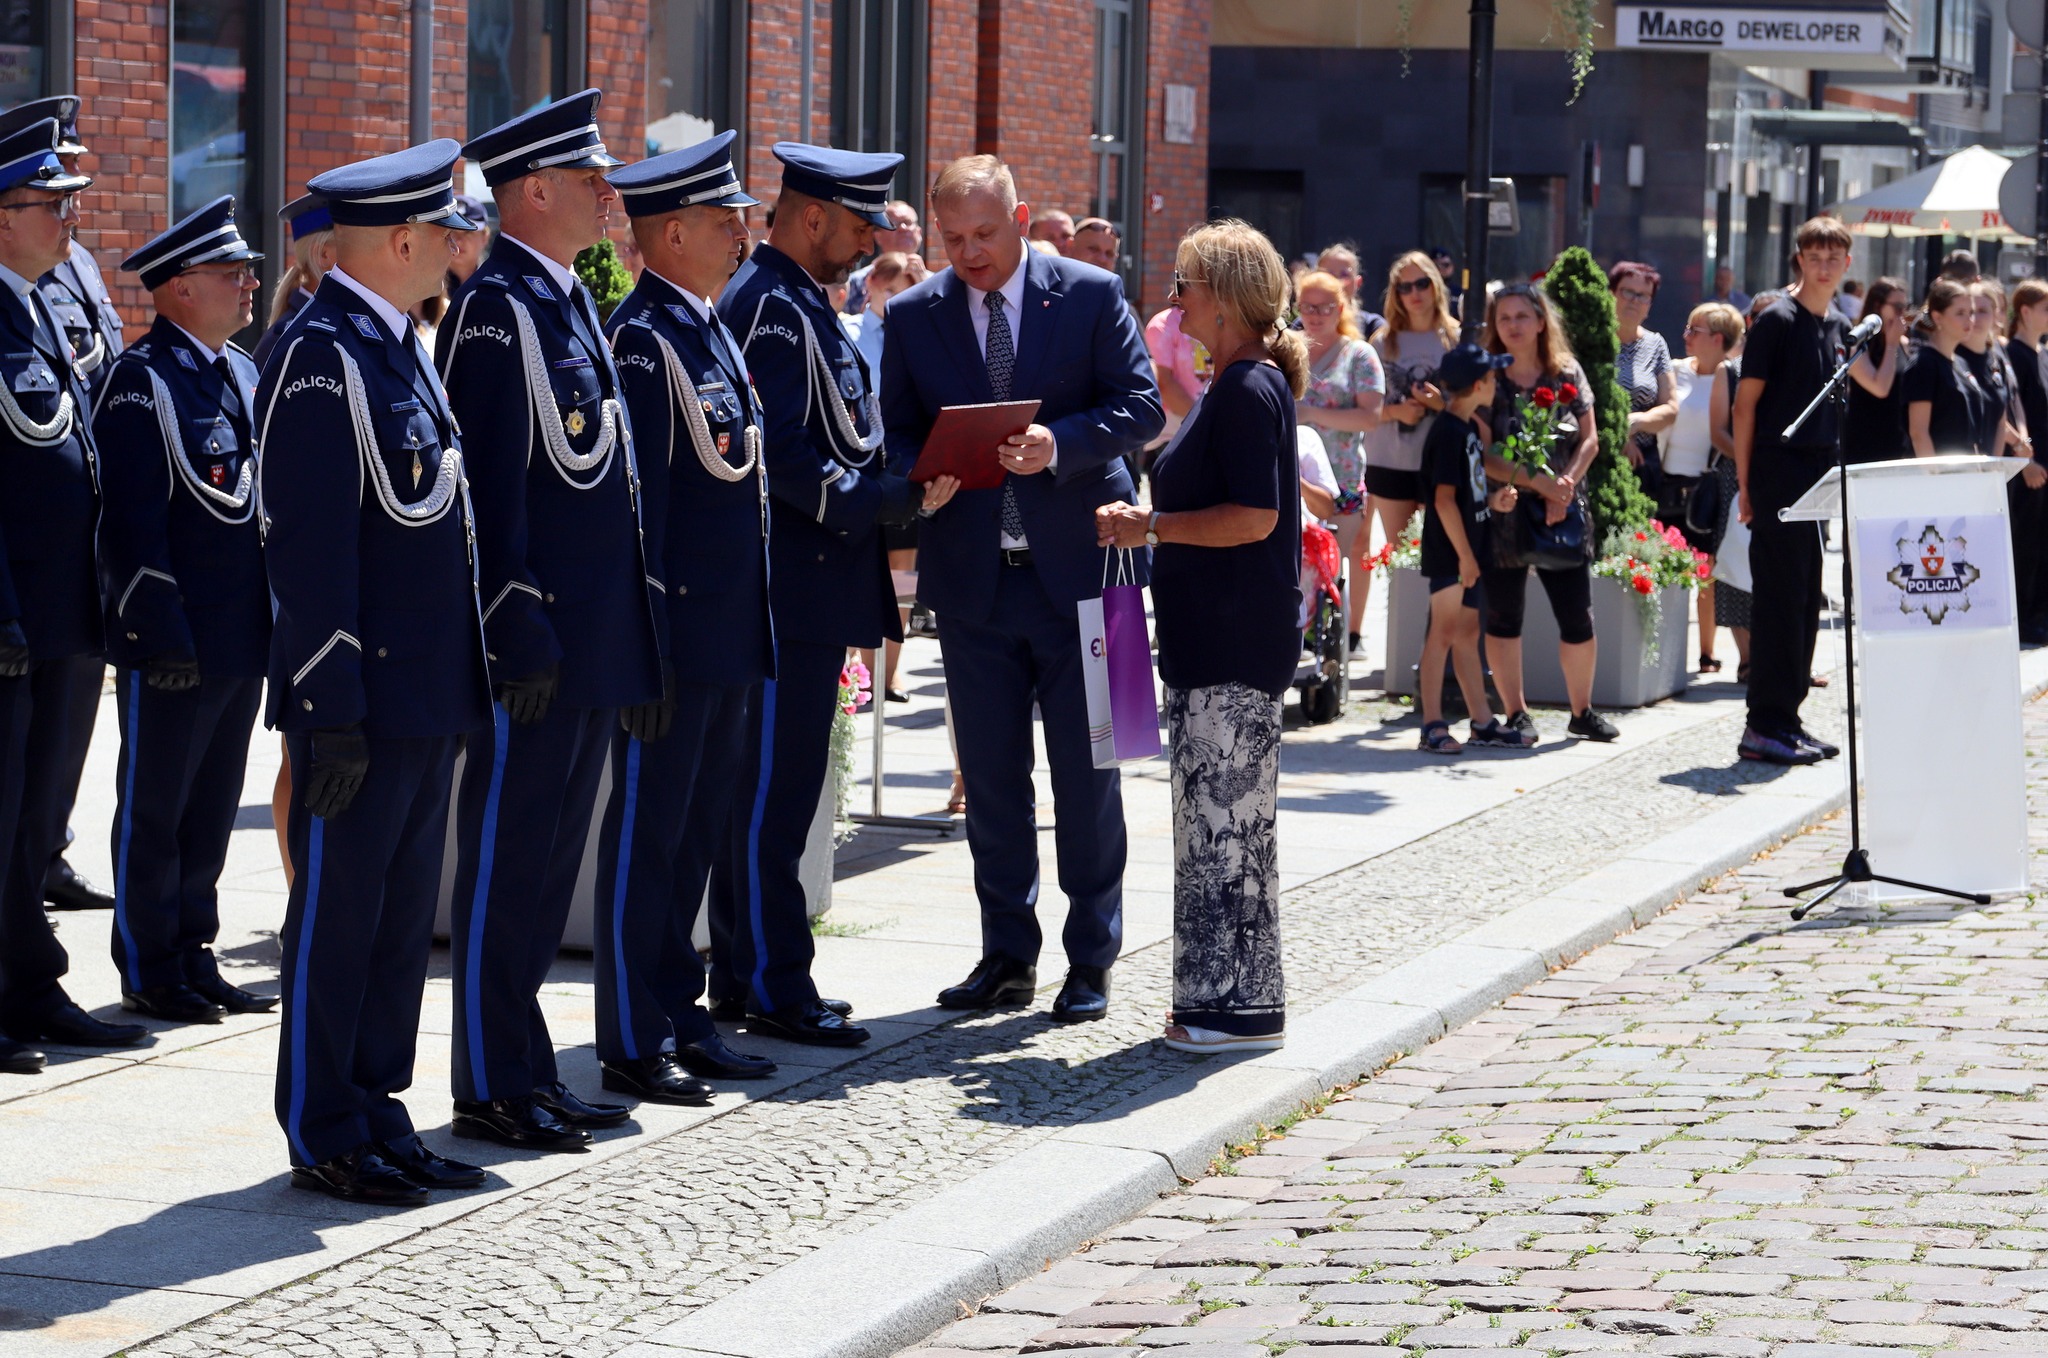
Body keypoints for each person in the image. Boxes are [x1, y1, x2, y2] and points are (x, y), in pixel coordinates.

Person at [257, 139, 493, 1203]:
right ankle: (324, 1123)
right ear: (401, 240)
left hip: (423, 691)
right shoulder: (323, 355)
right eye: (445, 231)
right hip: (359, 698)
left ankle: (377, 1103)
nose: (456, 247)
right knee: (341, 917)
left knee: (399, 919)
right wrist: (328, 706)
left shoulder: (394, 342)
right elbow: (308, 549)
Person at [881, 153, 1162, 1024]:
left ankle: (1091, 962)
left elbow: (1142, 406)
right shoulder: (913, 314)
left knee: (1092, 777)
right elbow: (894, 436)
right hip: (974, 586)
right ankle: (1005, 956)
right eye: (953, 238)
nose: (970, 254)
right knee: (995, 785)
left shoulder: (1086, 292)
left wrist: (1062, 443)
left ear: (1021, 215)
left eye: (985, 234)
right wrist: (914, 481)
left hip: (1090, 578)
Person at [434, 91, 660, 1149]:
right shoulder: (495, 310)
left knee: (547, 853)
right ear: (532, 189)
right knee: (507, 859)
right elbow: (489, 489)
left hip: (587, 638)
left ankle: (526, 1063)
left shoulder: (563, 296)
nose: (608, 192)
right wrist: (510, 620)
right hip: (535, 640)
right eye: (589, 178)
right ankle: (488, 1076)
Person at [715, 142, 931, 1045]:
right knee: (771, 800)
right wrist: (890, 500)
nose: (864, 243)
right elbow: (785, 465)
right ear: (810, 217)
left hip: (809, 591)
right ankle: (768, 982)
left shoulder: (799, 298)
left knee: (785, 793)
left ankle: (758, 972)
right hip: (785, 594)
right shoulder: (770, 306)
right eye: (854, 226)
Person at [597, 131, 787, 1097]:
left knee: (701, 832)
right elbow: (647, 514)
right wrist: (653, 649)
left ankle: (684, 1011)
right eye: (725, 221)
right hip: (678, 640)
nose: (742, 234)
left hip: (728, 633)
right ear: (670, 234)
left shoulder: (706, 325)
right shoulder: (641, 340)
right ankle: (634, 1033)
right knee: (652, 838)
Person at [1093, 219, 1297, 1054]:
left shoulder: (1249, 387)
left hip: (1232, 642)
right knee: (1217, 834)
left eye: (1185, 284)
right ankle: (1222, 1004)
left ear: (1224, 295)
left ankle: (1235, 1013)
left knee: (1228, 834)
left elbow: (1255, 516)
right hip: (1214, 641)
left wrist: (1153, 526)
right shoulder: (1238, 383)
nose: (1174, 299)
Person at [93, 197, 274, 1026]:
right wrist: (156, 631)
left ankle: (195, 951)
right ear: (177, 288)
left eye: (248, 271)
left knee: (210, 807)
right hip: (175, 637)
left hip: (237, 637)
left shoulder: (239, 373)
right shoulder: (142, 382)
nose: (249, 284)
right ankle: (150, 960)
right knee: (157, 805)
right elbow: (131, 525)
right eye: (229, 272)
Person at [0, 118, 137, 1075]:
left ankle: (29, 981)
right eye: (46, 205)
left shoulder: (43, 308)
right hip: (10, 620)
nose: (66, 218)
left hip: (61, 614)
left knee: (36, 816)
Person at [1732, 217, 1855, 768]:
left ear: (1847, 264)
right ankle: (1763, 725)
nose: (1824, 265)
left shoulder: (1837, 324)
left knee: (1806, 602)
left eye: (1834, 256)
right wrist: (1744, 480)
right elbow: (1744, 406)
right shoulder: (1777, 319)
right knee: (1780, 601)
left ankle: (1787, 717)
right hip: (1778, 471)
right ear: (1799, 260)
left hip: (1818, 475)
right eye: (1815, 255)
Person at [1476, 284, 1612, 743]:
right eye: (1504, 318)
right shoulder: (1489, 379)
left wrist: (1564, 488)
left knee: (1577, 615)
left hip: (1564, 510)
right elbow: (1484, 452)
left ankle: (1582, 710)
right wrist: (1537, 482)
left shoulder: (1565, 372)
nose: (1512, 325)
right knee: (1503, 615)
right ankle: (1516, 712)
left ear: (1540, 321)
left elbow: (1590, 439)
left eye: (1521, 316)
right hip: (1507, 511)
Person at [1413, 341, 1517, 755]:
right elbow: (1441, 501)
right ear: (1478, 385)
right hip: (1452, 553)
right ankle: (1432, 724)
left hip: (1468, 549)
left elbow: (1463, 495)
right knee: (1442, 633)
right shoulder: (1448, 432)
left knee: (1467, 633)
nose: (1496, 384)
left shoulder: (1468, 429)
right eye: (1492, 378)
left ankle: (1482, 721)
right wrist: (1466, 558)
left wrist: (1491, 502)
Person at [845, 249, 930, 702]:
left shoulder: (920, 334)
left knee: (903, 574)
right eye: (892, 290)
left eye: (909, 292)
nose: (898, 300)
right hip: (860, 462)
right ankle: (855, 670)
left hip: (901, 465)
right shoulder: (850, 330)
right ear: (872, 284)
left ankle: (889, 672)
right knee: (857, 567)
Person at [1364, 250, 1460, 651]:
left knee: (1445, 556)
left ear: (1436, 286)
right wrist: (1397, 410)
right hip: (1391, 460)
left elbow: (1476, 404)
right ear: (1396, 294)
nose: (1415, 293)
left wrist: (1441, 404)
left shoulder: (1455, 335)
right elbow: (1365, 407)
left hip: (1441, 462)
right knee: (1404, 556)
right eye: (1405, 286)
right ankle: (1409, 650)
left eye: (1423, 283)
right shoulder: (1382, 341)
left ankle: (1444, 647)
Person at [1294, 269, 1383, 650]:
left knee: (1339, 562)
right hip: (1294, 480)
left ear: (1340, 308)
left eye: (1325, 307)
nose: (1315, 315)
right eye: (1307, 306)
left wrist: (1312, 415)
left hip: (1342, 481)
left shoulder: (1358, 354)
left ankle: (1343, 638)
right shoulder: (1288, 349)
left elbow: (1371, 416)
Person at [1671, 302, 1742, 674]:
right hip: (1669, 479)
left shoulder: (1733, 378)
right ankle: (1667, 648)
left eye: (1693, 330)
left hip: (1707, 482)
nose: (1685, 336)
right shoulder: (1675, 371)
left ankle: (1706, 651)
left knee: (1706, 571)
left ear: (1717, 339)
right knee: (1668, 569)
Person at [1610, 261, 1676, 501]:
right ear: (1611, 294)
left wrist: (1633, 423)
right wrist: (1620, 437)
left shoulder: (1656, 344)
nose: (1635, 300)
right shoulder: (1593, 341)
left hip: (1644, 464)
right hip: (1600, 455)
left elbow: (1670, 409)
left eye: (1644, 296)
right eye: (1628, 292)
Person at [2005, 279, 2048, 643]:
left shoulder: (2040, 353)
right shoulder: (2014, 355)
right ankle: (2025, 615)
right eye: (2046, 309)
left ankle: (2038, 612)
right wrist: (2027, 459)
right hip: (2028, 467)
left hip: (2042, 464)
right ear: (2025, 312)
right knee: (2027, 543)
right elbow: (2017, 413)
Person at [1902, 278, 1987, 458]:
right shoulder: (1924, 364)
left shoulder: (1962, 363)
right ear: (1937, 317)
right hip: (1937, 475)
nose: (1969, 320)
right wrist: (1936, 478)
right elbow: (1918, 433)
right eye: (1960, 313)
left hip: (1965, 472)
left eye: (1970, 312)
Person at [1843, 277, 1910, 464]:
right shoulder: (1858, 345)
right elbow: (1880, 388)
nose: (1902, 314)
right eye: (1897, 307)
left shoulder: (1902, 344)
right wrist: (1891, 345)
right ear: (1878, 306)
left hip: (1897, 443)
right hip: (1866, 444)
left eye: (1905, 307)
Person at [1960, 279, 2026, 461]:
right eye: (1969, 312)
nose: (1974, 319)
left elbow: (2000, 419)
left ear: (1996, 315)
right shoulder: (1952, 358)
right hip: (1956, 466)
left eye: (1982, 311)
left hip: (1989, 467)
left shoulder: (1995, 359)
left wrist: (1993, 466)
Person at [843, 197, 921, 314]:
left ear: (919, 232)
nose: (903, 228)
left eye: (908, 222)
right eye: (895, 224)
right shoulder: (855, 284)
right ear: (877, 237)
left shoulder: (936, 285)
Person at [1316, 243, 1386, 337]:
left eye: (1344, 275)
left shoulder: (1373, 326)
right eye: (1329, 275)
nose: (1337, 282)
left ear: (1358, 282)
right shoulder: (1302, 325)